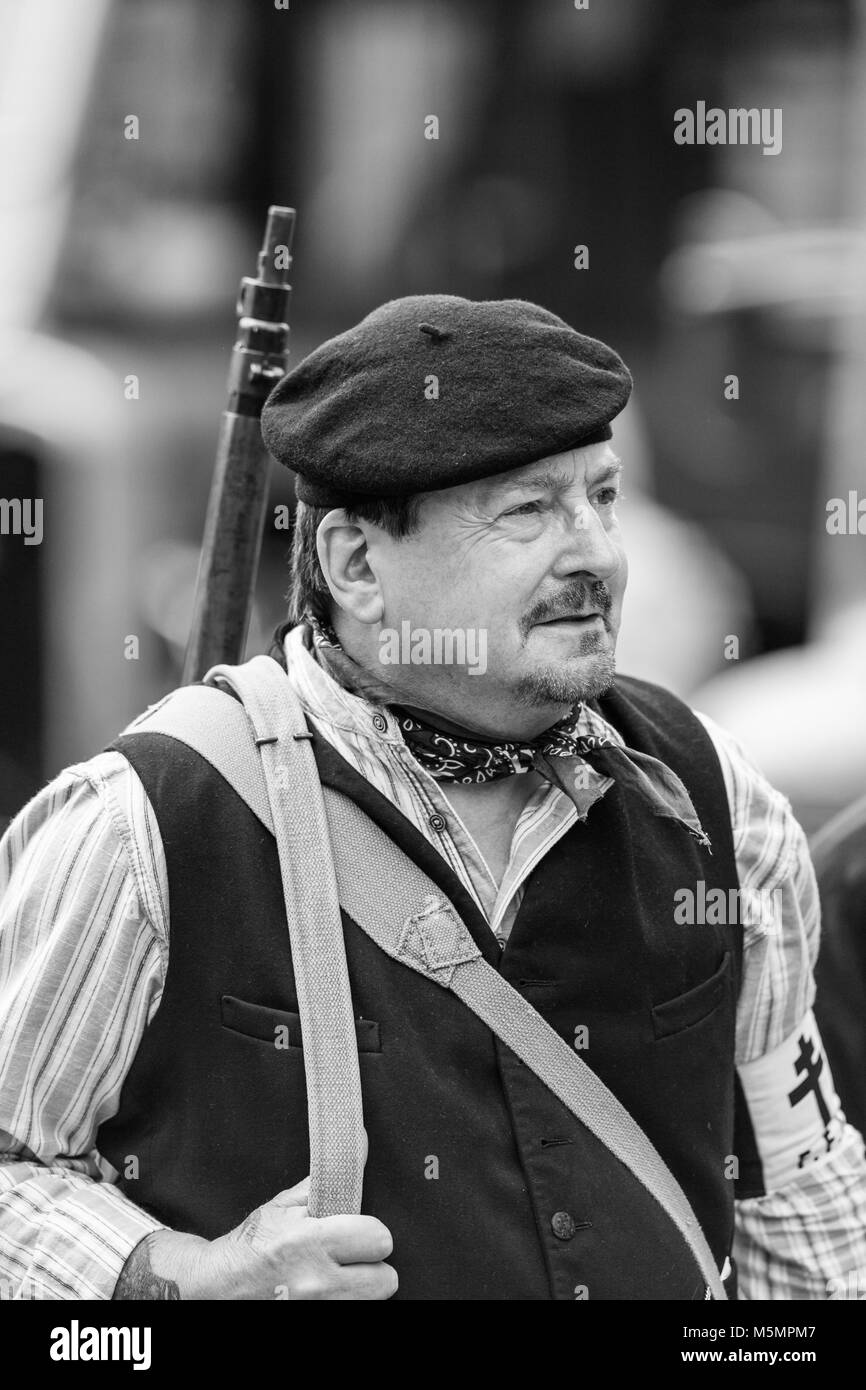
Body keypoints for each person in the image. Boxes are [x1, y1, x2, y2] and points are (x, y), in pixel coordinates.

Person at [1, 296, 864, 1301]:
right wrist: (178, 1276)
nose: (595, 553)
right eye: (527, 513)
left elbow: (797, 1210)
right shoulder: (141, 825)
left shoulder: (721, 804)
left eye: (601, 497)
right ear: (356, 565)